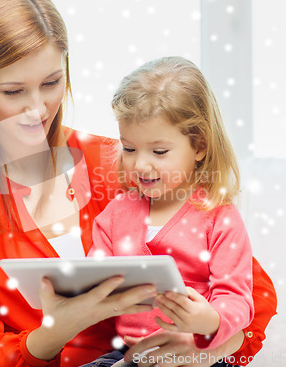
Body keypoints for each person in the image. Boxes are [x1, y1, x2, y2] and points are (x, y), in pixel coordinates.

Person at [0, 0, 277, 367]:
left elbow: (256, 297)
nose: (37, 109)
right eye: (14, 91)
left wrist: (207, 348)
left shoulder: (122, 159)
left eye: (52, 83)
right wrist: (54, 332)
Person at [83, 56, 256, 367]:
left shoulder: (218, 217)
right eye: (129, 148)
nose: (140, 164)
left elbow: (237, 299)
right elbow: (94, 281)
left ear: (199, 146)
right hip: (130, 354)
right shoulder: (114, 215)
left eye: (159, 152)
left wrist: (209, 321)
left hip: (197, 354)